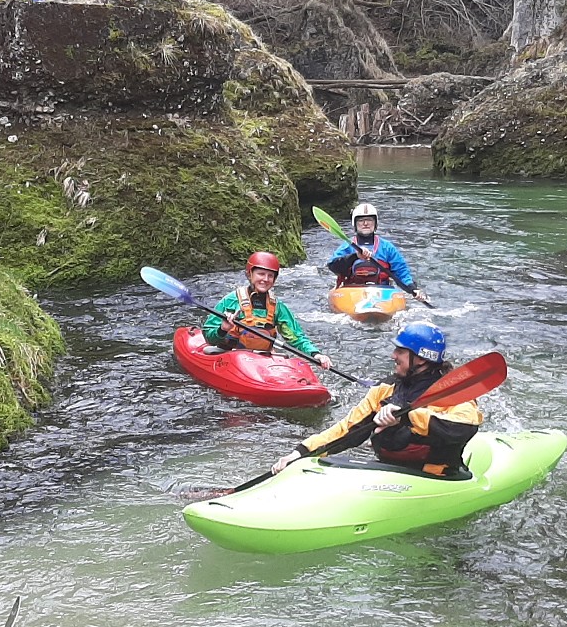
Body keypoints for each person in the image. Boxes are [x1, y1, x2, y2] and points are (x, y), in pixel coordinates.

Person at [272, 323, 479, 478]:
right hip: (389, 473)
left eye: (400, 351)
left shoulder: (454, 393)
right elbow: (347, 429)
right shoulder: (385, 389)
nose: (393, 355)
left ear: (421, 358)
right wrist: (300, 452)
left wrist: (406, 418)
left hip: (437, 476)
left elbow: (464, 427)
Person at [200, 251, 332, 370]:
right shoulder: (230, 301)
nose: (265, 279)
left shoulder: (277, 307)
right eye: (261, 274)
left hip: (262, 362)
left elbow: (295, 337)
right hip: (230, 358)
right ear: (250, 274)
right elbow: (209, 338)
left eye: (270, 276)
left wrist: (316, 354)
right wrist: (222, 329)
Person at [325, 201, 428, 305]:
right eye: (361, 220)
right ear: (355, 224)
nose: (365, 223)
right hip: (352, 290)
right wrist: (355, 256)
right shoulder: (347, 246)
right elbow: (333, 266)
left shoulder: (387, 248)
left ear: (375, 224)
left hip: (382, 290)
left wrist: (412, 288)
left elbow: (401, 271)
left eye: (369, 220)